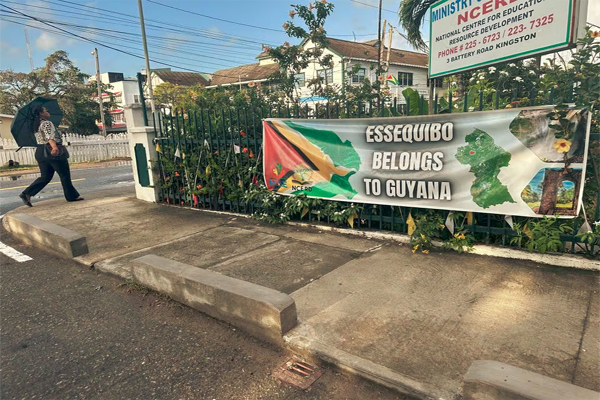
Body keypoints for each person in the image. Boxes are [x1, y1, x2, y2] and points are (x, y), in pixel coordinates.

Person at [19, 105, 83, 207]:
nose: (47, 111)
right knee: (64, 174)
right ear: (40, 113)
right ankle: (71, 196)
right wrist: (54, 148)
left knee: (45, 177)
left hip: (40, 151)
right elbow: (50, 137)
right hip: (51, 150)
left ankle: (27, 193)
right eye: (45, 110)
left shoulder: (35, 125)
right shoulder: (47, 123)